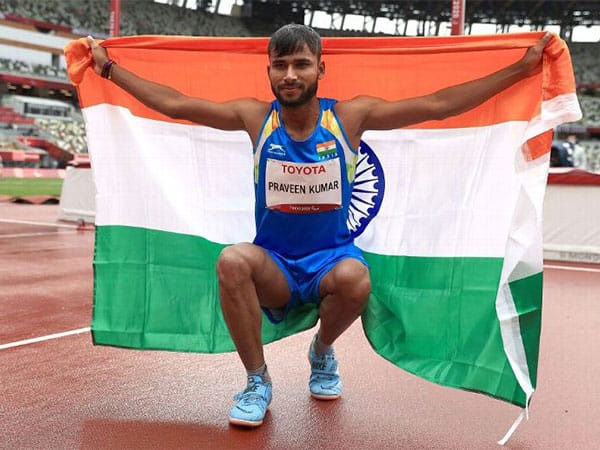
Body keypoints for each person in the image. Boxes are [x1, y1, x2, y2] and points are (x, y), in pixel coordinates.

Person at [87, 24, 551, 428]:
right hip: (276, 265)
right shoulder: (256, 118)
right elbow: (175, 104)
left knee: (356, 279)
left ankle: (322, 350)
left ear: (320, 70)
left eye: (301, 64)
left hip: (331, 260)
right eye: (280, 65)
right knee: (231, 261)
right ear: (268, 71)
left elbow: (437, 104)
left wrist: (519, 70)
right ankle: (256, 382)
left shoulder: (348, 118)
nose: (290, 75)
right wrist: (109, 71)